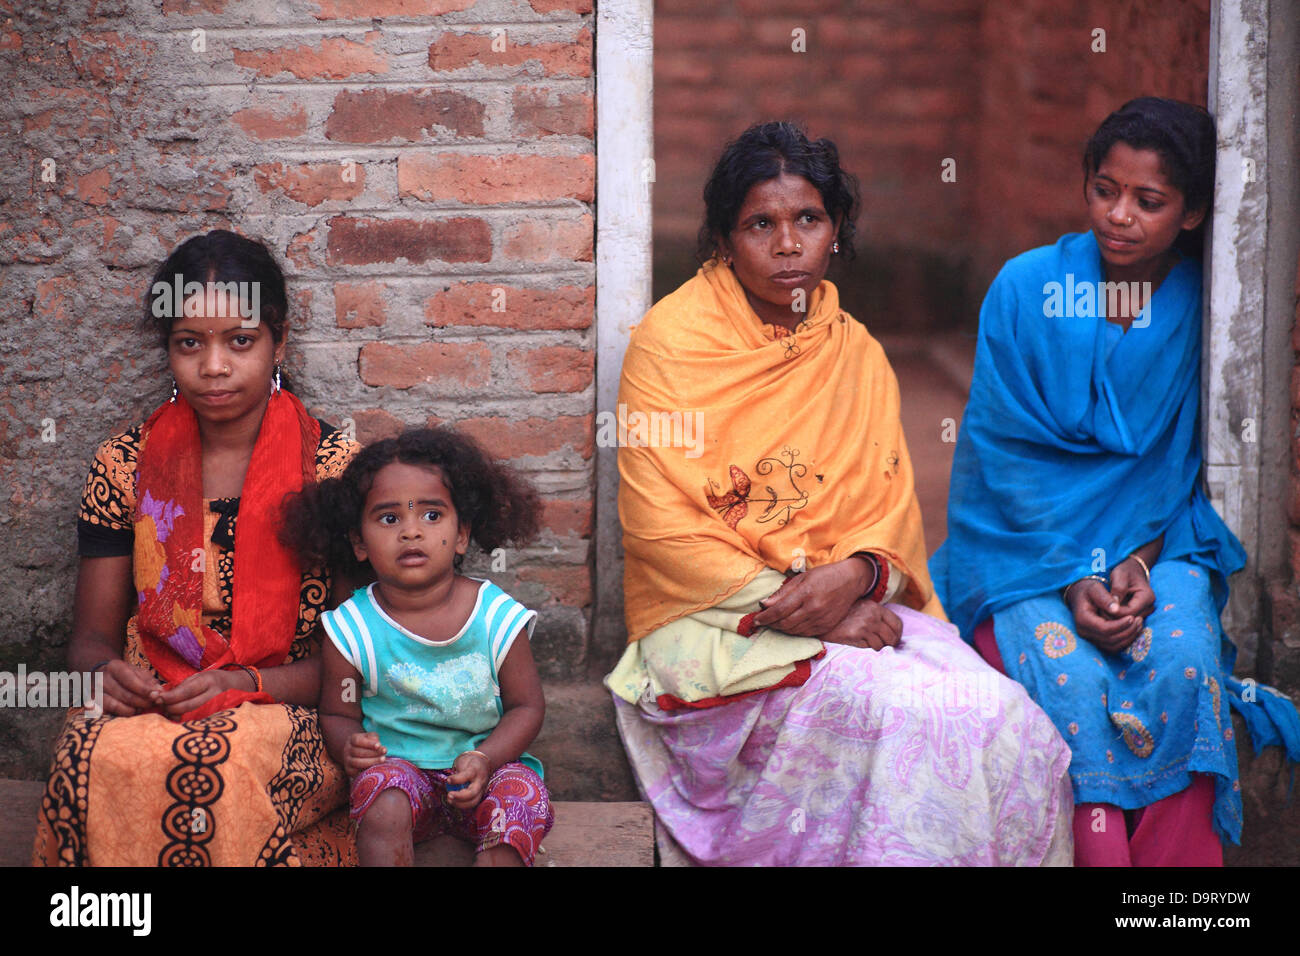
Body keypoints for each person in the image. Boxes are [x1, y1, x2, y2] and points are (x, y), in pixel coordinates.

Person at [607, 120, 1075, 866]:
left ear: (836, 232)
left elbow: (885, 521)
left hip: (856, 608)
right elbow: (662, 530)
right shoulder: (670, 344)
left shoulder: (854, 351)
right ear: (724, 240)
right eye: (761, 224)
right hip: (719, 624)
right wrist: (808, 611)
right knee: (915, 714)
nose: (787, 245)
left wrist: (857, 580)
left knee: (1006, 716)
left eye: (808, 220)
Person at [930, 97, 1300, 867]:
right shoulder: (1025, 288)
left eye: (1148, 200)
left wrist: (1135, 561)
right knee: (1063, 679)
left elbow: (1177, 466)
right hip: (1020, 554)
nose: (1118, 215)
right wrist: (1073, 579)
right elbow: (1004, 465)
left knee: (1182, 658)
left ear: (1193, 211)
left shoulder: (1209, 307)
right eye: (1104, 189)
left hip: (1158, 541)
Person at [33, 230, 359, 866]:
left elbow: (353, 670)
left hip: (287, 706)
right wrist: (107, 679)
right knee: (88, 757)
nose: (214, 366)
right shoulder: (125, 466)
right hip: (155, 697)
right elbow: (89, 643)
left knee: (212, 768)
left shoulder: (332, 469)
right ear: (169, 348)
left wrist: (243, 684)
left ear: (278, 341)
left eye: (240, 341)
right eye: (190, 343)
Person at [282, 427, 553, 867]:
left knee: (519, 798)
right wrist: (350, 744)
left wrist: (485, 758)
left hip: (489, 770)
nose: (411, 532)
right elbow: (337, 712)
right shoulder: (351, 629)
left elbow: (527, 708)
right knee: (382, 794)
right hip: (402, 778)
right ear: (358, 542)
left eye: (431, 516)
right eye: (389, 519)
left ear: (462, 534)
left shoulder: (496, 616)